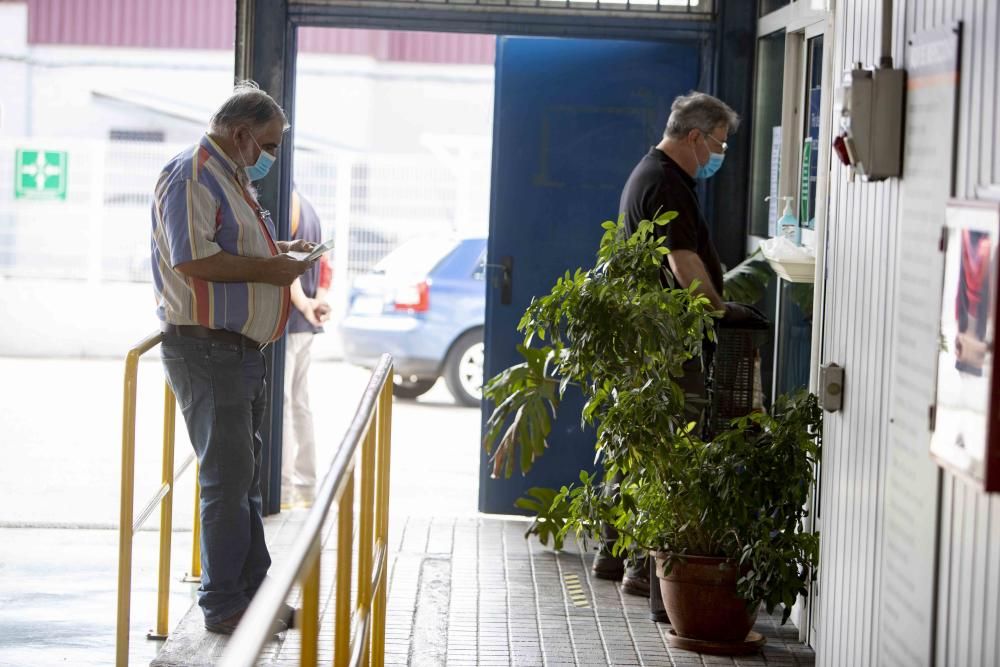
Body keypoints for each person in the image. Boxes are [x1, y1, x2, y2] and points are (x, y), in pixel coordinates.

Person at [151, 81, 315, 636]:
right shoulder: (193, 174)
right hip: (208, 350)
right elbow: (192, 258)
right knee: (226, 481)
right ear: (241, 134)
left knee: (243, 482)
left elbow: (234, 246)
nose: (270, 157)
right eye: (268, 145)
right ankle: (224, 606)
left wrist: (282, 253)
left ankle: (253, 594)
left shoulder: (231, 176)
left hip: (239, 351)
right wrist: (272, 272)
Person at [595, 91, 752, 597]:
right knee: (668, 449)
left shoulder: (653, 174)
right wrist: (718, 309)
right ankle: (643, 565)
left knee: (640, 443)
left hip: (647, 337)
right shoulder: (666, 183)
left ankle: (613, 552)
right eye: (719, 143)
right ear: (694, 136)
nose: (719, 155)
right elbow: (681, 262)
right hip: (664, 341)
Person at [281, 189, 333, 509]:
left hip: (292, 321)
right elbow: (324, 265)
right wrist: (319, 302)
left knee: (285, 404)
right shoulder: (311, 209)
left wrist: (304, 306)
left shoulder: (289, 207)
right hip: (306, 324)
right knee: (300, 402)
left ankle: (284, 483)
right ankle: (306, 479)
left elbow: (289, 266)